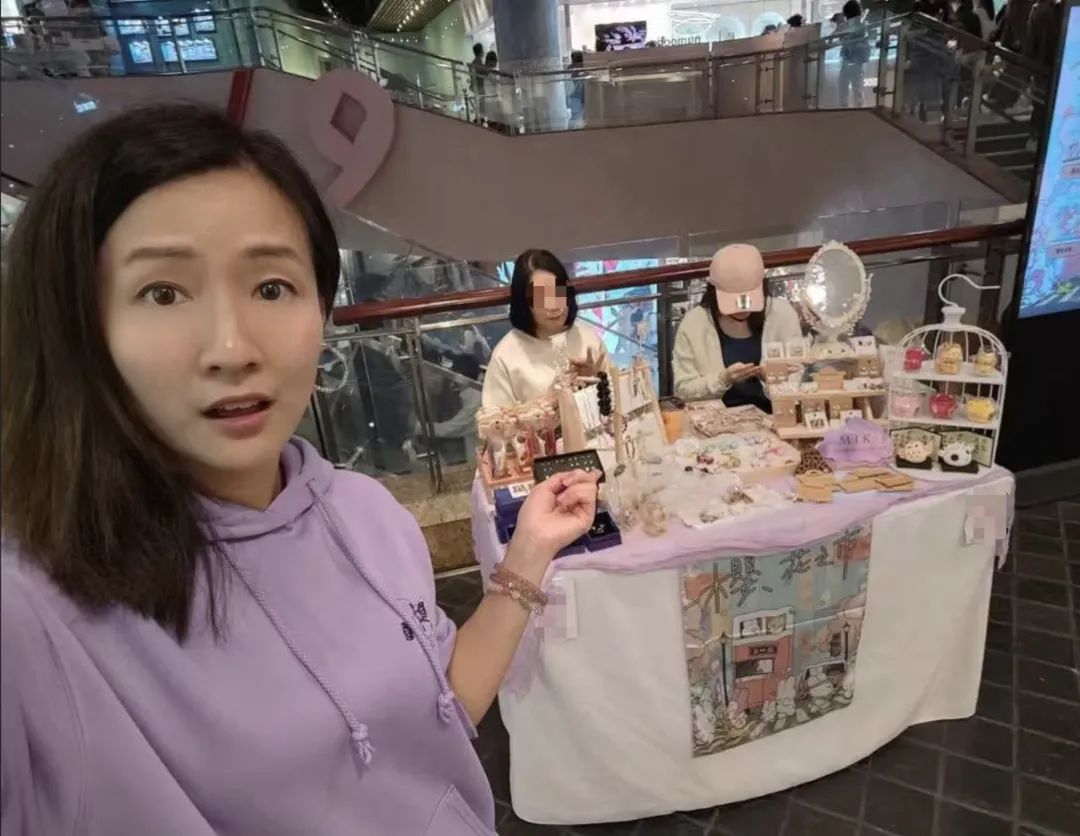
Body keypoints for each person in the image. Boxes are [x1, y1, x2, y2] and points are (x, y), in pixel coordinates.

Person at [0, 104, 599, 835]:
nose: (232, 348)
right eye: (163, 292)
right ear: (77, 326)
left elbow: (442, 709)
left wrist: (529, 552)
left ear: (321, 307)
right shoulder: (31, 616)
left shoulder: (366, 512)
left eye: (270, 288)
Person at [672, 244, 803, 410]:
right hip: (713, 421)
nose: (742, 309)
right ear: (714, 291)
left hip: (776, 417)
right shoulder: (694, 323)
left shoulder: (782, 314)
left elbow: (797, 382)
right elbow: (683, 391)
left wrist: (773, 379)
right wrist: (722, 379)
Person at [482, 249, 606, 408]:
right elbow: (495, 421)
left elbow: (618, 402)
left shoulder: (587, 337)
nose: (554, 306)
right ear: (524, 303)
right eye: (542, 298)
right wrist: (546, 402)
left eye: (558, 293)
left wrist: (596, 384)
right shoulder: (505, 356)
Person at [838, 0, 872, 108]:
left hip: (847, 60)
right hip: (857, 61)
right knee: (857, 88)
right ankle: (859, 109)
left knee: (843, 87)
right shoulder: (863, 24)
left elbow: (831, 38)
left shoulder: (844, 26)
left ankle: (844, 108)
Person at [567, 49, 586, 128]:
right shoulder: (582, 68)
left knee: (576, 115)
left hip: (577, 95)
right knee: (577, 115)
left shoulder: (572, 68)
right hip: (578, 95)